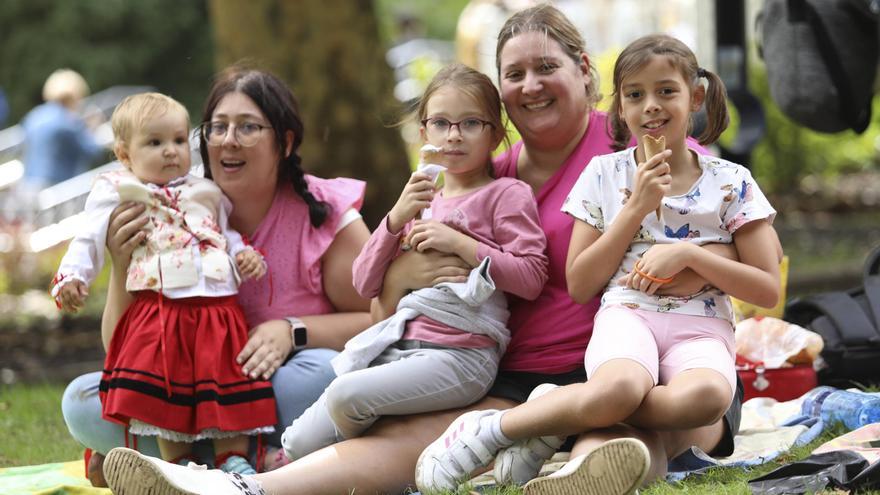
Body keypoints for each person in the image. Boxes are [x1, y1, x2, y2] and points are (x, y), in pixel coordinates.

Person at [97, 6, 764, 494]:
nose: (530, 84)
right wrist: (411, 260)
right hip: (515, 375)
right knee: (415, 438)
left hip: (645, 364)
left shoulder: (632, 152)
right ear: (497, 96)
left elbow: (719, 238)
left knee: (621, 426)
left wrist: (693, 266)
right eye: (514, 74)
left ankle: (576, 470)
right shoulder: (485, 175)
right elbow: (388, 295)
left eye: (547, 68)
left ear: (585, 72)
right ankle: (241, 490)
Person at [416, 32, 781, 494]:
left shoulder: (731, 182)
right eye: (635, 94)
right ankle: (495, 428)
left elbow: (767, 288)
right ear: (620, 107)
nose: (651, 105)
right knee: (617, 390)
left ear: (696, 96)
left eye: (666, 90)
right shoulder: (604, 175)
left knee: (708, 397)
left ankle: (560, 409)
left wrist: (689, 254)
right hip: (629, 315)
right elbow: (580, 283)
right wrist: (634, 209)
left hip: (702, 328)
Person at [59, 68, 372, 485]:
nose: (227, 140)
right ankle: (241, 462)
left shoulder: (324, 211)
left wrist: (292, 331)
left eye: (247, 127)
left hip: (272, 383)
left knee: (320, 373)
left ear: (286, 141)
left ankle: (159, 462)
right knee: (80, 399)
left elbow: (380, 321)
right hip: (179, 385)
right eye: (217, 127)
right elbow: (120, 347)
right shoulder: (165, 204)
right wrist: (121, 267)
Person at [279, 64, 548, 463]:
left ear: (495, 133)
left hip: (461, 356)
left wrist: (461, 244)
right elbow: (363, 283)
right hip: (399, 347)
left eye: (470, 123)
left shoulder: (506, 194)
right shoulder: (423, 202)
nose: (454, 134)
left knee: (345, 397)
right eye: (441, 123)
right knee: (296, 443)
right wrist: (395, 219)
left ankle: (371, 463)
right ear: (424, 133)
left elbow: (531, 277)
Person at [53, 92, 276, 475]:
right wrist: (74, 275)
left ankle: (234, 459)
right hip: (160, 308)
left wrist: (243, 254)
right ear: (124, 154)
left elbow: (223, 233)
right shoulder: (116, 192)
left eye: (178, 140)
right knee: (165, 391)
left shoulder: (206, 190)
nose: (171, 151)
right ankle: (177, 466)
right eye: (155, 143)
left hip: (218, 309)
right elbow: (88, 237)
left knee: (225, 380)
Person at [20, 69, 104, 190]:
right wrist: (93, 127)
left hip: (29, 186)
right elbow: (92, 151)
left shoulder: (34, 116)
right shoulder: (67, 121)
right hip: (56, 189)